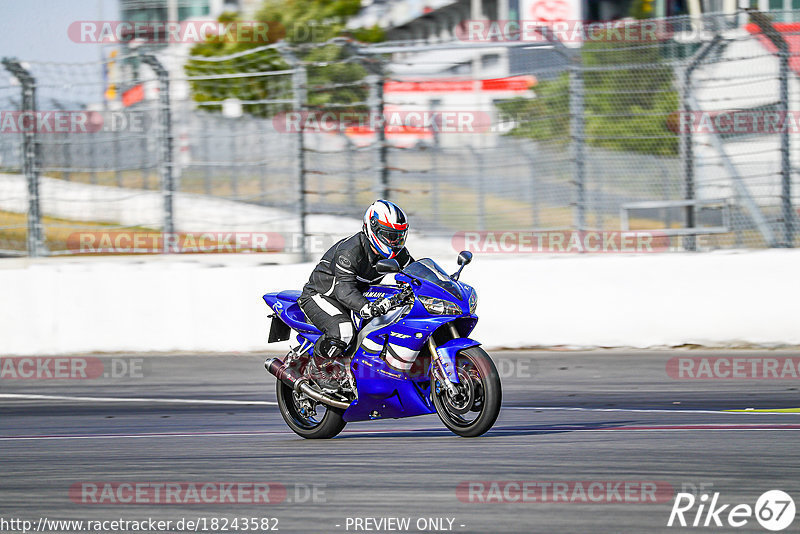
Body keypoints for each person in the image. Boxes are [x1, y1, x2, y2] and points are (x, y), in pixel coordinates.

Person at [298, 200, 414, 390]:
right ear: (373, 228)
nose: (394, 241)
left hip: (356, 294)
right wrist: (366, 307)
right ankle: (317, 369)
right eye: (389, 235)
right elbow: (344, 290)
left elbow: (413, 273)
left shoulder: (397, 253)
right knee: (344, 330)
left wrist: (438, 282)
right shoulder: (351, 251)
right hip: (322, 295)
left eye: (398, 236)